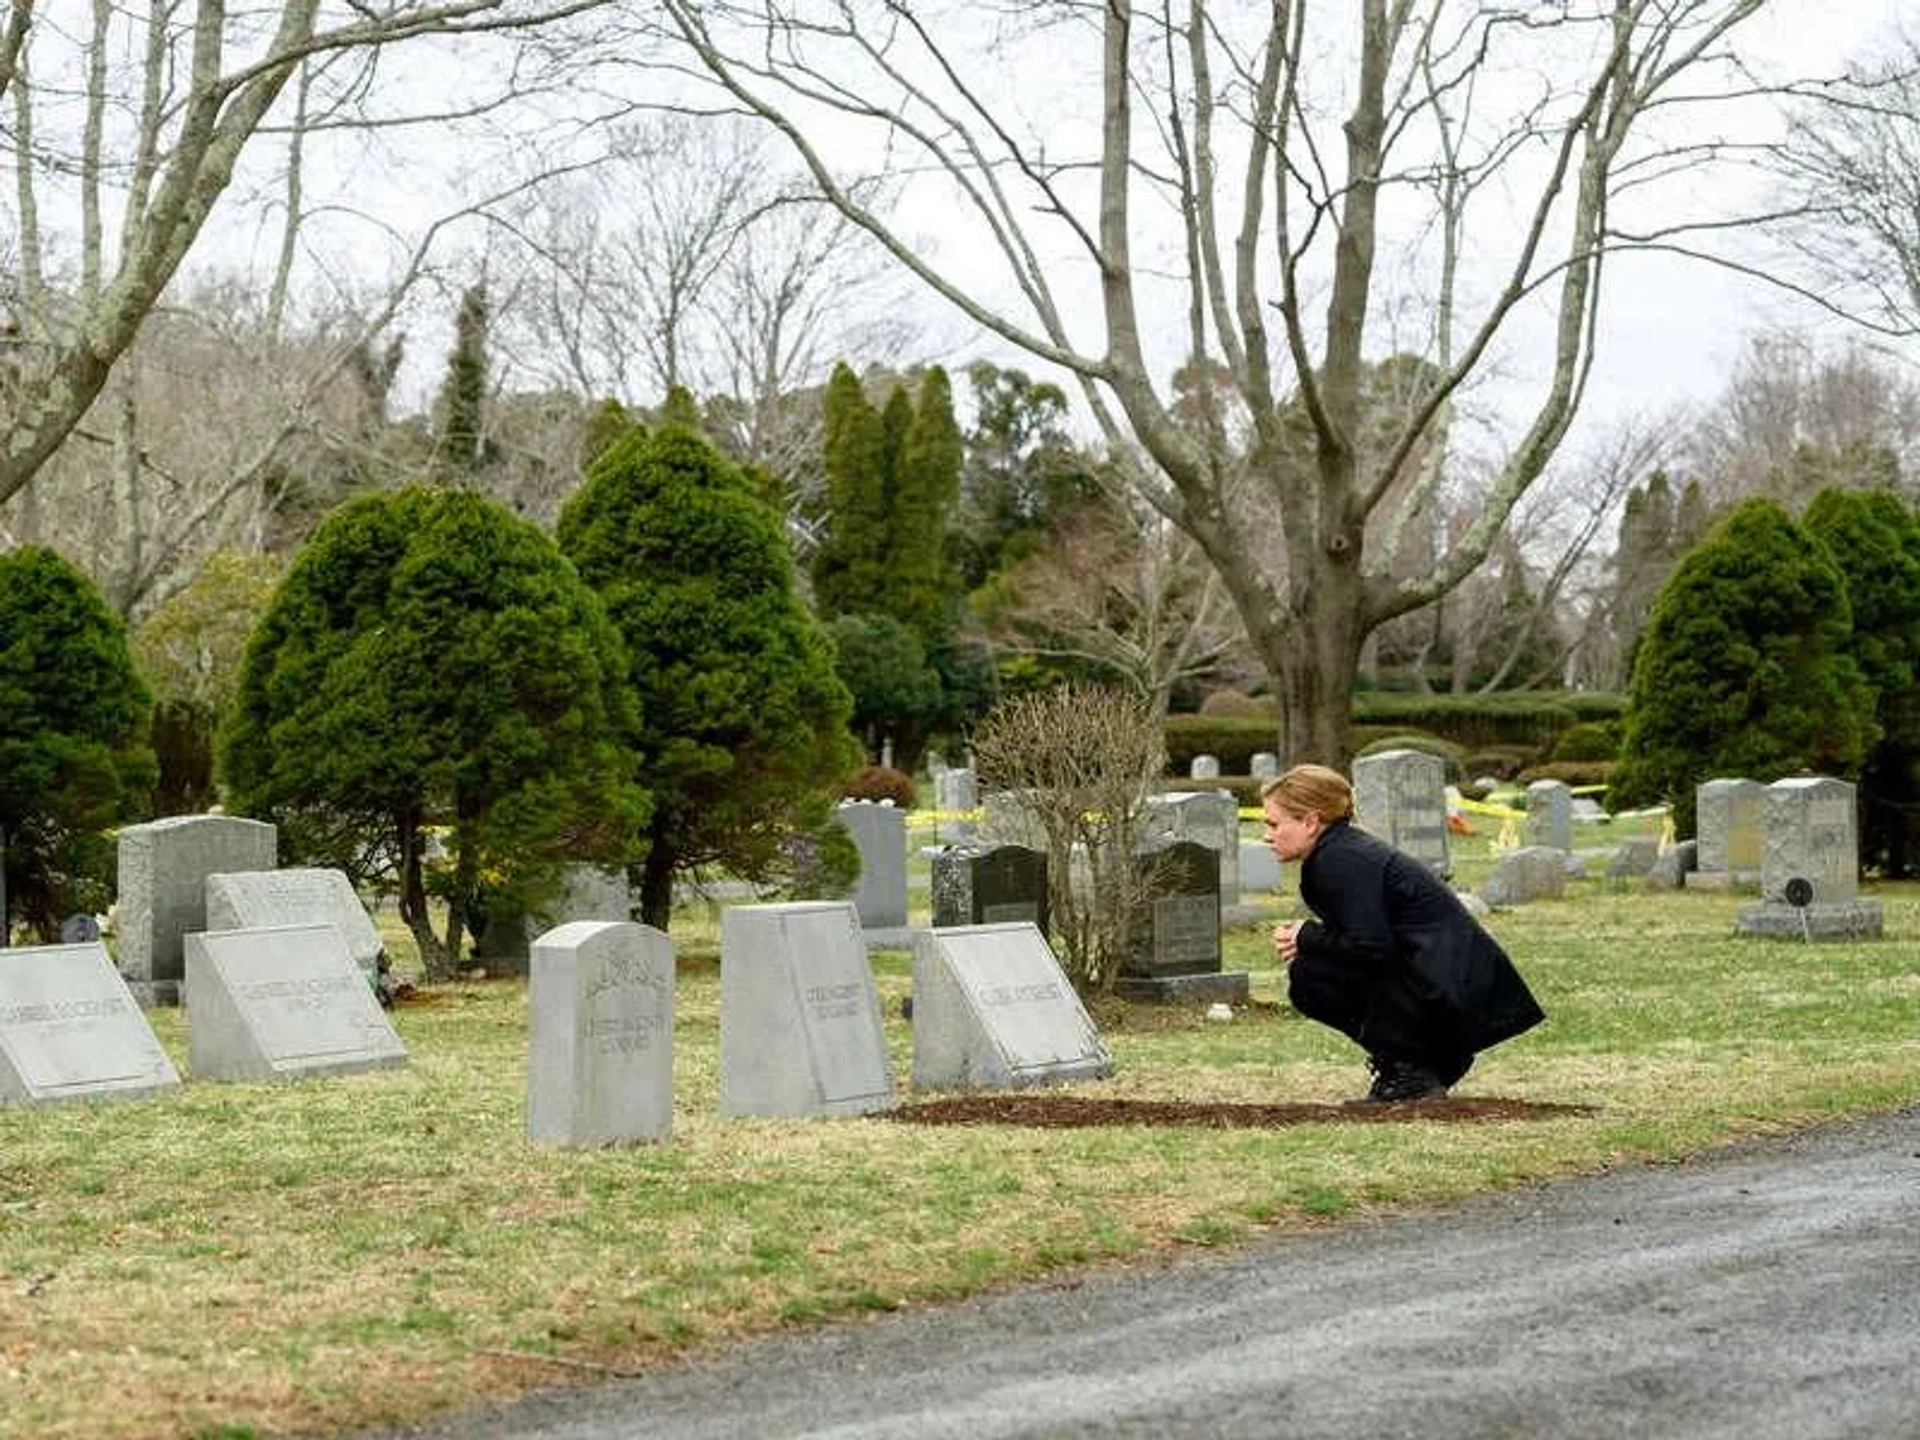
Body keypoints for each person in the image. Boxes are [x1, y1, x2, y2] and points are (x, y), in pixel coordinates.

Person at [1262, 763, 1544, 1104]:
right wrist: (1310, 940)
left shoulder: (1339, 859)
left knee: (1310, 975)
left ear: (1310, 821)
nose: (1267, 835)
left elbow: (1372, 948)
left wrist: (1306, 936)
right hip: (1454, 988)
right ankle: (1424, 1062)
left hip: (1450, 995)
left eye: (1274, 824)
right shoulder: (1342, 850)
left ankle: (1410, 1069)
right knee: (1316, 964)